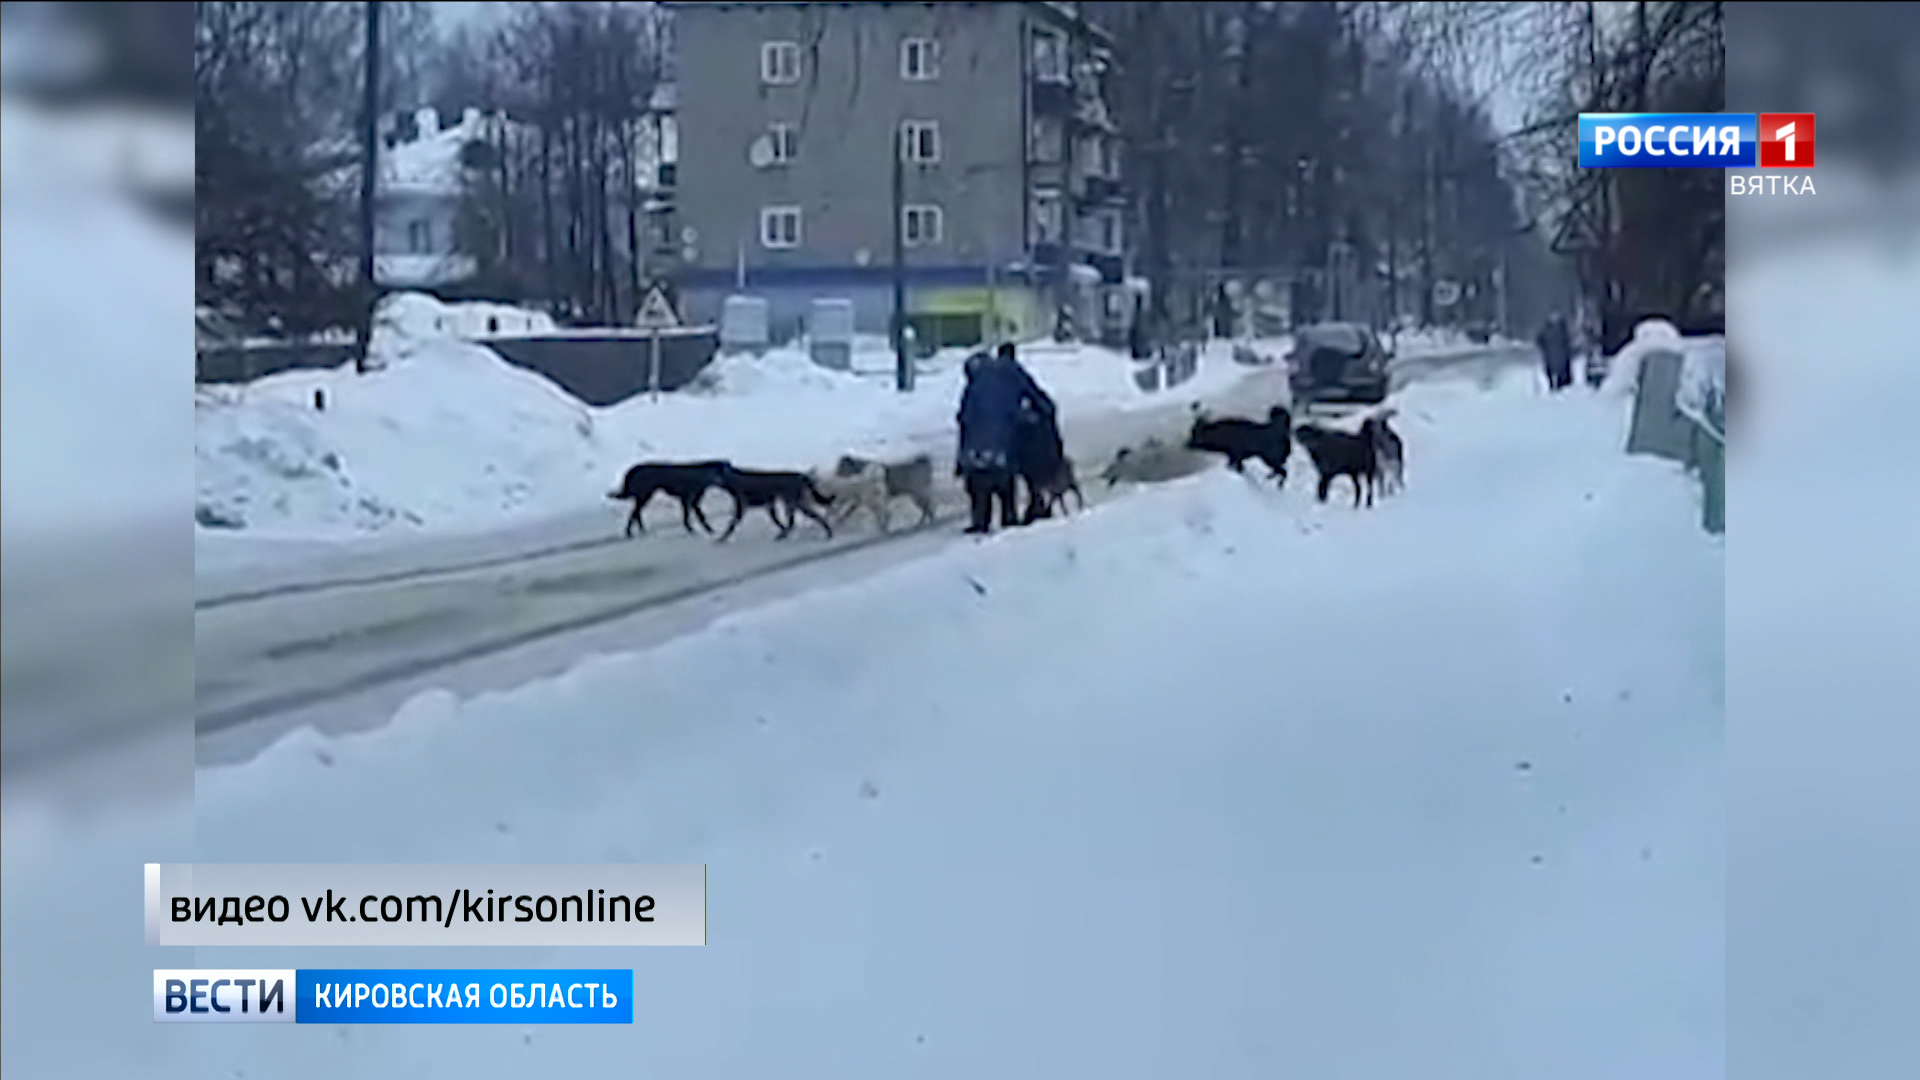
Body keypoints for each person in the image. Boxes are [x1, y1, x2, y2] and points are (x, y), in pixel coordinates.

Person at [956, 341, 1056, 535]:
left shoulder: (973, 386)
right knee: (1005, 479)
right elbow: (1041, 401)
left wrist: (962, 457)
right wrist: (1035, 416)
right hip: (1002, 446)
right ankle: (1008, 517)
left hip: (973, 453)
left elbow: (963, 418)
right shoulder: (1012, 372)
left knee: (978, 485)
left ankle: (980, 521)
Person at [1537, 312, 1573, 392]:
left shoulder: (1547, 330)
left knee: (1552, 369)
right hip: (1559, 354)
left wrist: (1544, 348)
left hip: (1552, 354)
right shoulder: (1562, 329)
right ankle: (1558, 384)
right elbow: (1568, 341)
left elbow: (1539, 340)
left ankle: (1553, 385)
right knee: (1560, 369)